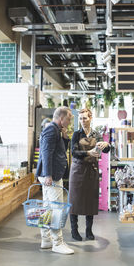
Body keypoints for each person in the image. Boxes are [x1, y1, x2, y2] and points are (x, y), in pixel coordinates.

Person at [36, 106, 74, 255]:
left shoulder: (56, 130)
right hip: (51, 176)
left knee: (47, 208)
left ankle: (46, 240)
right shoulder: (51, 129)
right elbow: (45, 152)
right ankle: (57, 243)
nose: (70, 121)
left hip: (50, 174)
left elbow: (59, 152)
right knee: (57, 208)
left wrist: (64, 138)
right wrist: (48, 175)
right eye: (69, 118)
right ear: (61, 118)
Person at [69, 108, 110, 241]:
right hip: (77, 171)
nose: (82, 121)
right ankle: (74, 231)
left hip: (91, 171)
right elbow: (73, 152)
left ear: (90, 118)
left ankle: (88, 231)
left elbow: (105, 151)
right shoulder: (76, 134)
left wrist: (107, 144)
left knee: (90, 201)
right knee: (74, 201)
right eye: (80, 118)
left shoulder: (96, 135)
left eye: (85, 118)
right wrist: (88, 153)